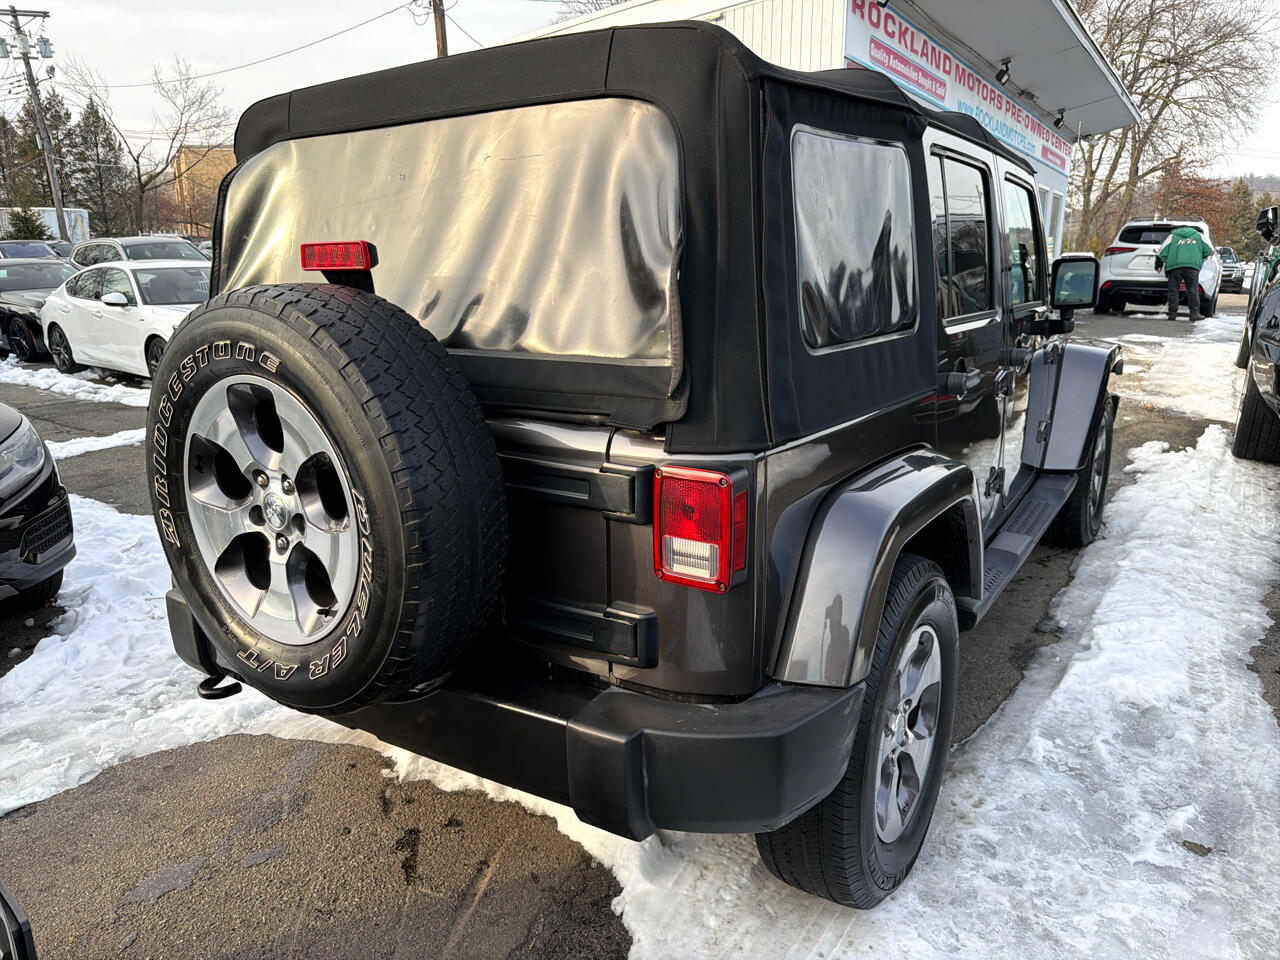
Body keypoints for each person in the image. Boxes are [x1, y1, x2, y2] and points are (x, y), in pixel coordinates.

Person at [1155, 225, 1214, 322]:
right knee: (1192, 290)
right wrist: (1198, 256)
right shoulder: (1198, 236)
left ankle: (1172, 314)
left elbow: (1161, 252)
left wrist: (1159, 265)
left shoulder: (1172, 236)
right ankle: (1194, 314)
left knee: (1173, 290)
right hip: (1192, 267)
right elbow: (1209, 251)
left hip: (1174, 266)